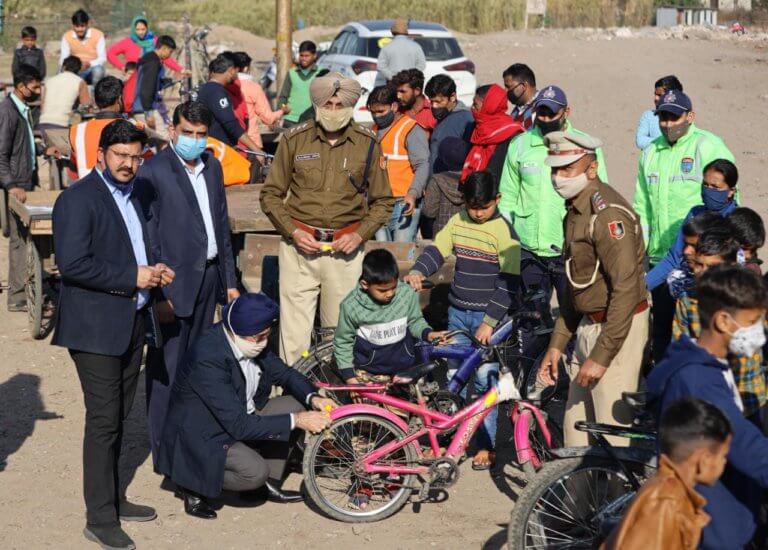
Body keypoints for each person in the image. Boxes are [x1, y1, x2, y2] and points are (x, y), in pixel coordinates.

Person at [52, 120, 174, 550]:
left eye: (134, 156)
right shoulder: (77, 199)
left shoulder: (135, 194)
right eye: (120, 155)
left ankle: (114, 497)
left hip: (132, 321)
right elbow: (72, 264)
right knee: (104, 420)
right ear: (102, 154)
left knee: (120, 417)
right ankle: (99, 518)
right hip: (94, 329)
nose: (127, 164)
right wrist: (133, 276)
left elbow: (136, 250)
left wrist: (153, 274)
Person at [157, 293, 336, 518]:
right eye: (260, 337)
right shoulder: (208, 358)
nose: (264, 341)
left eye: (267, 335)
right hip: (206, 432)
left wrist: (314, 398)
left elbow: (286, 374)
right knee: (253, 472)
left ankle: (267, 483)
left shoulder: (251, 340)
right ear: (238, 332)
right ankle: (193, 482)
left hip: (239, 413)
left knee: (295, 403)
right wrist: (298, 421)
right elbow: (239, 425)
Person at [260, 72, 394, 364]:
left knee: (339, 335)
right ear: (318, 105)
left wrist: (359, 235)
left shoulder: (367, 143)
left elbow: (384, 201)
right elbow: (270, 194)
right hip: (299, 248)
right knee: (294, 337)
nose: (334, 111)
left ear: (350, 107)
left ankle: (335, 403)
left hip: (345, 251)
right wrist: (293, 232)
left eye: (339, 105)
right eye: (328, 104)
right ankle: (292, 398)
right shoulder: (294, 140)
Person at [135, 101, 240, 462]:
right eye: (188, 133)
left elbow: (221, 226)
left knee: (195, 364)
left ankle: (186, 436)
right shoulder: (154, 171)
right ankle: (163, 448)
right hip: (173, 284)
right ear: (173, 131)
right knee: (166, 368)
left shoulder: (211, 167)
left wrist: (229, 279)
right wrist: (158, 293)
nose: (194, 140)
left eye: (201, 134)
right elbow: (148, 237)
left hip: (209, 278)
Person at [536, 131, 648, 447]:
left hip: (617, 329)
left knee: (613, 439)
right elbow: (577, 283)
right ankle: (579, 497)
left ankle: (618, 497)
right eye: (555, 169)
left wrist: (600, 355)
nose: (558, 177)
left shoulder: (607, 215)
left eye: (567, 169)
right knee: (576, 435)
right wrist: (557, 344)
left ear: (592, 169)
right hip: (589, 324)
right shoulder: (575, 210)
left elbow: (626, 290)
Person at [405, 171, 522, 469]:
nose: (478, 213)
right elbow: (438, 250)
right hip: (458, 314)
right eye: (473, 207)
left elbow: (509, 283)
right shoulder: (458, 222)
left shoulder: (505, 234)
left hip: (487, 321)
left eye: (484, 206)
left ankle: (486, 444)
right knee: (453, 382)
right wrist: (419, 269)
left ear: (498, 200)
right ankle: (446, 440)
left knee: (485, 383)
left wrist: (490, 321)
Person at [647, 265, 768, 550]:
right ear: (724, 321)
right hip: (710, 527)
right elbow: (742, 443)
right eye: (752, 322)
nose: (758, 332)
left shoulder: (702, 362)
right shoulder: (698, 380)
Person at [634, 90, 734, 363]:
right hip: (662, 259)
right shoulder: (651, 151)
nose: (667, 123)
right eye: (663, 117)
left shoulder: (708, 146)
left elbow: (729, 200)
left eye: (673, 117)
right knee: (662, 329)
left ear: (690, 116)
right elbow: (641, 206)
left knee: (706, 334)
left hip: (704, 265)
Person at [499, 85, 608, 319]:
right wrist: (508, 239)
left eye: (552, 113)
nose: (546, 119)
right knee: (532, 317)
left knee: (577, 312)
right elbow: (507, 197)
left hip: (569, 247)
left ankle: (569, 354)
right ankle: (537, 356)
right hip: (528, 248)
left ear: (567, 111)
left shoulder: (584, 145)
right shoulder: (520, 145)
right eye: (542, 113)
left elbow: (599, 196)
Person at [600, 397, 731, 550]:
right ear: (704, 459)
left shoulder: (672, 490)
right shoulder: (666, 501)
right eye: (723, 456)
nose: (724, 462)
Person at [672, 227, 766, 422]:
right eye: (699, 265)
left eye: (711, 267)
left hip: (749, 403)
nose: (702, 273)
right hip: (707, 405)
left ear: (731, 265)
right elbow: (678, 349)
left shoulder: (752, 297)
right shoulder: (687, 301)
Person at [335, 249, 447, 384]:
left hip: (404, 370)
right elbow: (343, 342)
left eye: (393, 287)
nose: (389, 294)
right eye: (382, 290)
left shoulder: (406, 294)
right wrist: (349, 377)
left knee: (406, 405)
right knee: (368, 406)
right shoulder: (351, 306)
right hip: (368, 373)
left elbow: (415, 321)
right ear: (365, 284)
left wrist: (427, 334)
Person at [0, 65, 59, 312]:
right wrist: (12, 185)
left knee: (34, 238)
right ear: (22, 86)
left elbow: (23, 145)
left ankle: (34, 285)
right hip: (17, 185)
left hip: (26, 181)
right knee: (19, 240)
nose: (37, 91)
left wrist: (45, 150)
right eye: (34, 87)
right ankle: (17, 296)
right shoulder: (8, 112)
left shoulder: (21, 110)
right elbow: (1, 153)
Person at [646, 158, 739, 293]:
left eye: (715, 187)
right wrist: (641, 288)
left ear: (731, 191)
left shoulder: (736, 221)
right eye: (705, 185)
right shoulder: (695, 213)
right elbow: (674, 258)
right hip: (682, 292)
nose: (709, 190)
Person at [368, 85, 429, 242]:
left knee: (402, 254)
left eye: (381, 111)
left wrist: (412, 194)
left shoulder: (410, 129)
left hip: (403, 203)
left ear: (394, 107)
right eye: (373, 112)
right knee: (382, 253)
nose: (376, 116)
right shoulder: (372, 130)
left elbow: (423, 165)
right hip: (378, 204)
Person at [70, 76, 144, 179]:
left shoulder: (77, 131)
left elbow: (73, 167)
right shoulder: (134, 127)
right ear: (119, 99)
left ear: (95, 101)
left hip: (86, 190)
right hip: (121, 192)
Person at [196, 54, 265, 155]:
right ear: (232, 70)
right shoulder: (217, 92)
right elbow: (231, 124)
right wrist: (256, 150)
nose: (237, 76)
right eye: (237, 72)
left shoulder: (207, 89)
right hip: (217, 151)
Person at [460, 84, 523, 185]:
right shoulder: (477, 129)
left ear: (489, 106)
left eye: (475, 104)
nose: (472, 108)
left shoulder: (512, 133)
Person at [232, 51, 287, 150]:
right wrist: (282, 111)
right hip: (251, 143)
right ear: (246, 68)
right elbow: (268, 118)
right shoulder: (253, 87)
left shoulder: (224, 86)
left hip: (230, 142)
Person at [426, 74, 474, 176]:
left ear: (452, 97)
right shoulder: (443, 117)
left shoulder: (466, 120)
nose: (434, 106)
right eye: (431, 101)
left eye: (438, 102)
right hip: (435, 185)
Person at [107, 15, 186, 74]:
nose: (141, 32)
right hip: (134, 79)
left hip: (153, 78)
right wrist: (122, 67)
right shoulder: (128, 42)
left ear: (147, 28)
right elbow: (110, 53)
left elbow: (166, 58)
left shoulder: (154, 41)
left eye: (143, 29)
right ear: (133, 29)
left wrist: (180, 69)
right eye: (137, 29)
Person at [130, 35, 177, 132]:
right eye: (170, 51)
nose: (170, 55)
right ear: (163, 48)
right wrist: (149, 113)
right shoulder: (153, 63)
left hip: (140, 107)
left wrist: (171, 80)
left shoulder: (148, 59)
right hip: (144, 109)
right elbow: (147, 88)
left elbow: (153, 82)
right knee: (163, 139)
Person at [422, 136, 469, 234]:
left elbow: (429, 212)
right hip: (466, 235)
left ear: (443, 160)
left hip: (442, 235)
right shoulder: (471, 180)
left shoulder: (436, 181)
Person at [277, 41, 325, 127]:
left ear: (314, 56)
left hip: (312, 120)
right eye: (301, 55)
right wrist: (283, 107)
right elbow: (283, 97)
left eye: (307, 56)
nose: (303, 58)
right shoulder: (292, 73)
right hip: (291, 120)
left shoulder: (321, 73)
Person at [39, 56, 91, 131]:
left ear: (63, 67)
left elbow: (42, 106)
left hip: (43, 123)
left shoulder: (50, 81)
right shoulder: (80, 82)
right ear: (79, 69)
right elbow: (86, 106)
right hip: (62, 125)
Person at [635, 75, 683, 150]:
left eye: (660, 95)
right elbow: (640, 141)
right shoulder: (649, 116)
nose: (656, 98)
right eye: (655, 94)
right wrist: (666, 142)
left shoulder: (683, 117)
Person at [60, 9, 106, 85]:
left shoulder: (98, 35)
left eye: (82, 26)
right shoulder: (67, 36)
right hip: (75, 68)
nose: (80, 29)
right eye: (77, 26)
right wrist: (74, 66)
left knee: (98, 70)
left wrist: (89, 64)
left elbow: (102, 58)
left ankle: (95, 93)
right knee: (60, 71)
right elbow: (63, 58)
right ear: (73, 25)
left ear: (87, 24)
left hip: (92, 68)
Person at [376, 18, 426, 83]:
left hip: (392, 84)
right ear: (406, 32)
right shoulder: (416, 46)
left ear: (392, 32)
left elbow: (381, 66)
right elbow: (422, 65)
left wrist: (393, 77)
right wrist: (411, 77)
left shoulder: (386, 47)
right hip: (410, 85)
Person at [392, 68, 437, 137]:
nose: (398, 96)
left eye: (402, 91)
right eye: (397, 91)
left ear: (417, 91)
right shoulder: (395, 111)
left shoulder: (433, 113)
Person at [502, 63, 538, 130]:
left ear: (523, 86)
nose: (505, 91)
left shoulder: (542, 109)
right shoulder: (517, 111)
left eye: (508, 87)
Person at [730, 207, 765, 274]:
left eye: (753, 250)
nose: (748, 255)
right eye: (744, 249)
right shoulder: (714, 261)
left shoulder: (752, 270)